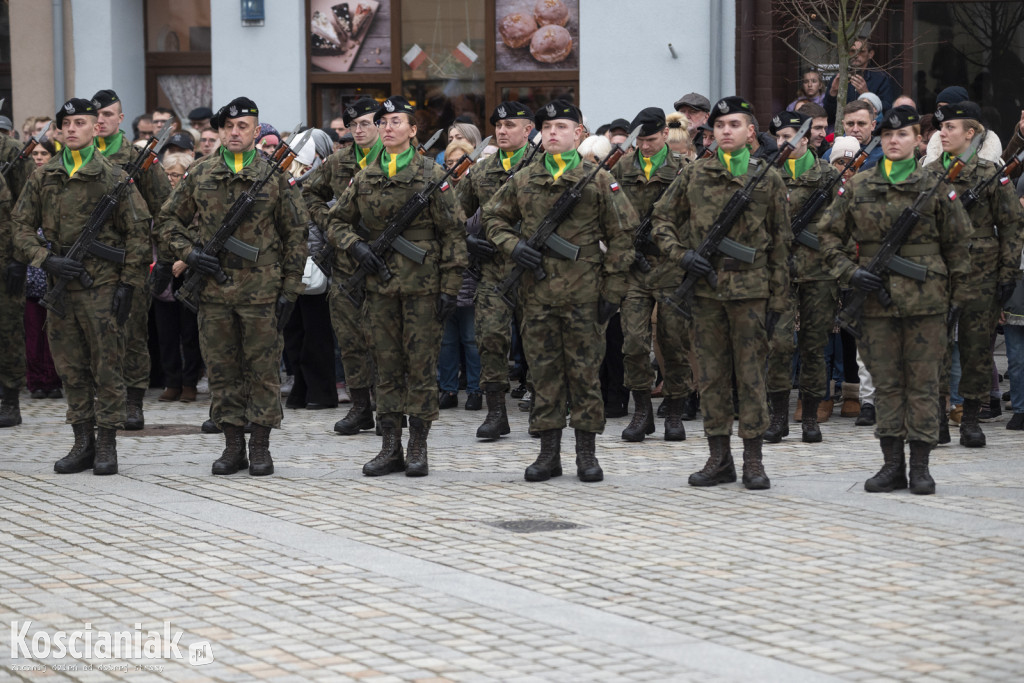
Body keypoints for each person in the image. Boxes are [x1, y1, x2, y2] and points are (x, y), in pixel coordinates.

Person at [818, 105, 972, 495]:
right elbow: (828, 237)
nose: (893, 140)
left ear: (917, 139)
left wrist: (957, 299)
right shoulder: (858, 187)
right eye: (887, 135)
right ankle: (891, 465)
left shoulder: (936, 187)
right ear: (879, 139)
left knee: (922, 384)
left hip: (927, 303)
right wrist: (850, 272)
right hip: (877, 306)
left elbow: (958, 246)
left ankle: (920, 466)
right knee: (886, 385)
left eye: (902, 134)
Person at [484, 99, 638, 483]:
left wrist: (613, 291)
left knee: (586, 376)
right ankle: (548, 454)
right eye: (547, 127)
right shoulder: (523, 178)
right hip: (536, 297)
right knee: (543, 376)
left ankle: (586, 453)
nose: (553, 133)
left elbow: (623, 235)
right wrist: (513, 245)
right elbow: (491, 217)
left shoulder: (599, 179)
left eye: (562, 127)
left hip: (586, 297)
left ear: (579, 134)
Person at [160, 97, 309, 476]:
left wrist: (290, 289)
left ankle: (260, 446)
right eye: (228, 127)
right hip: (214, 291)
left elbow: (295, 234)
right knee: (222, 370)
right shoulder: (201, 172)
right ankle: (232, 446)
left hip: (262, 291)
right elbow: (167, 222)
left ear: (257, 132)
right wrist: (190, 254)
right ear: (219, 131)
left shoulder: (273, 175)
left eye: (243, 126)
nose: (235, 132)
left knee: (262, 371)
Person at [652, 96, 790, 491]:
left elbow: (782, 245)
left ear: (751, 132)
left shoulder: (768, 178)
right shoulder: (695, 175)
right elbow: (661, 219)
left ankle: (753, 460)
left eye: (735, 124)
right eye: (721, 125)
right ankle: (719, 458)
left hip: (751, 295)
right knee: (711, 377)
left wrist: (779, 305)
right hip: (707, 295)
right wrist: (683, 256)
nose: (726, 131)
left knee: (751, 379)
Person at [326, 95, 467, 478]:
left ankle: (418, 447)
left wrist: (450, 288)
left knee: (420, 370)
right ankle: (390, 447)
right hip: (378, 288)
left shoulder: (431, 175)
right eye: (383, 121)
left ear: (413, 130)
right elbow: (335, 222)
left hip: (423, 289)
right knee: (385, 368)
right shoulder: (365, 175)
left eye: (396, 121)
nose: (388, 128)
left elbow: (453, 234)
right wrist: (356, 246)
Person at [11, 97, 152, 471]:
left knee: (106, 367)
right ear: (58, 131)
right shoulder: (44, 175)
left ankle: (107, 444)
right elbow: (19, 227)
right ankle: (82, 442)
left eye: (80, 123)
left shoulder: (114, 177)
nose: (72, 129)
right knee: (70, 368)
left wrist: (128, 285)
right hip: (61, 288)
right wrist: (45, 258)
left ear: (95, 128)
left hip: (103, 288)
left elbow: (138, 233)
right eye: (66, 124)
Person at [927, 101, 1024, 447]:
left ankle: (970, 418)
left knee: (976, 349)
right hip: (937, 272)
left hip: (980, 273)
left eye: (951, 127)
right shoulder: (929, 173)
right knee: (934, 347)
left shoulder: (989, 174)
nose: (943, 132)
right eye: (941, 127)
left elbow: (1012, 225)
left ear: (971, 133)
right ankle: (937, 417)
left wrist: (1007, 272)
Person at [91, 89, 173, 430]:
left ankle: (134, 401)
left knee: (132, 332)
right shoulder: (77, 158)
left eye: (108, 114)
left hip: (131, 260)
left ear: (121, 119)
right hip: (87, 263)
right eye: (94, 115)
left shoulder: (140, 159)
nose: (100, 121)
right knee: (93, 334)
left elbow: (165, 211)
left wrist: (165, 261)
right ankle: (99, 398)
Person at [301, 97, 382, 437]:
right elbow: (308, 192)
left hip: (386, 261)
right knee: (350, 340)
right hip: (347, 264)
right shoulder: (338, 162)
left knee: (386, 338)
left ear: (382, 124)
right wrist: (329, 221)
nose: (359, 130)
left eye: (366, 123)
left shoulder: (396, 159)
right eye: (353, 126)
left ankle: (390, 409)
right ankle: (361, 408)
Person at [612, 106, 692, 443]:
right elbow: (612, 216)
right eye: (640, 140)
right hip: (634, 267)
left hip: (670, 266)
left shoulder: (683, 170)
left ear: (664, 134)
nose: (645, 146)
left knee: (673, 342)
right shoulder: (622, 168)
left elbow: (692, 219)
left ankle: (674, 410)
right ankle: (641, 411)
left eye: (652, 139)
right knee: (632, 343)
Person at [456, 100, 536, 440]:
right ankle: (496, 413)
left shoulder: (543, 167)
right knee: (489, 340)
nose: (502, 131)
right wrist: (468, 240)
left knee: (539, 342)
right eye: (498, 127)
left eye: (510, 126)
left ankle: (545, 410)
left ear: (529, 129)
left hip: (536, 271)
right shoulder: (481, 171)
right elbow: (453, 212)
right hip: (493, 271)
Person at [763, 110, 843, 444]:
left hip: (818, 272)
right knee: (779, 345)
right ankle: (778, 417)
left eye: (792, 136)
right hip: (778, 273)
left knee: (814, 346)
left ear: (807, 138)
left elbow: (840, 223)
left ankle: (810, 417)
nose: (785, 142)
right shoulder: (767, 174)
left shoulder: (827, 174)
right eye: (780, 137)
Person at [281, 131, 339, 412]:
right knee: (294, 333)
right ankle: (301, 387)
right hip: (293, 266)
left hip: (318, 264)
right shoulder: (286, 181)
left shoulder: (326, 179)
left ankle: (320, 390)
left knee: (316, 334)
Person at [0, 106, 40, 427]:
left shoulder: (11, 150)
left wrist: (18, 258)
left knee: (8, 330)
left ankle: (10, 400)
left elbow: (26, 210)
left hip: (5, 259)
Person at [152, 152, 202, 404]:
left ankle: (189, 382)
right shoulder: (160, 199)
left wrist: (186, 258)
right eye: (167, 174)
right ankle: (171, 381)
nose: (171, 179)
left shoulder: (195, 199)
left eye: (176, 174)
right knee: (166, 333)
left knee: (190, 333)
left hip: (189, 270)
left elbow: (202, 231)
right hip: (163, 270)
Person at [438, 138, 482, 411]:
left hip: (470, 271)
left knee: (471, 338)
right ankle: (448, 390)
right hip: (443, 272)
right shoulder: (440, 190)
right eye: (449, 163)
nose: (454, 168)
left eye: (460, 162)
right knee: (446, 339)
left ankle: (476, 389)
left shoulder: (476, 191)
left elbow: (476, 225)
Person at [823, 39, 898, 123]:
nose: (856, 55)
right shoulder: (837, 78)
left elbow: (888, 111)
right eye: (852, 51)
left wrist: (866, 95)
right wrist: (833, 93)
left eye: (861, 51)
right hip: (843, 129)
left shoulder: (881, 78)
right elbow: (828, 116)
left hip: (871, 130)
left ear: (870, 54)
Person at [823, 100, 883, 169]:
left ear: (873, 125)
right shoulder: (830, 154)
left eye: (861, 124)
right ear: (843, 125)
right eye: (850, 124)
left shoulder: (883, 155)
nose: (855, 129)